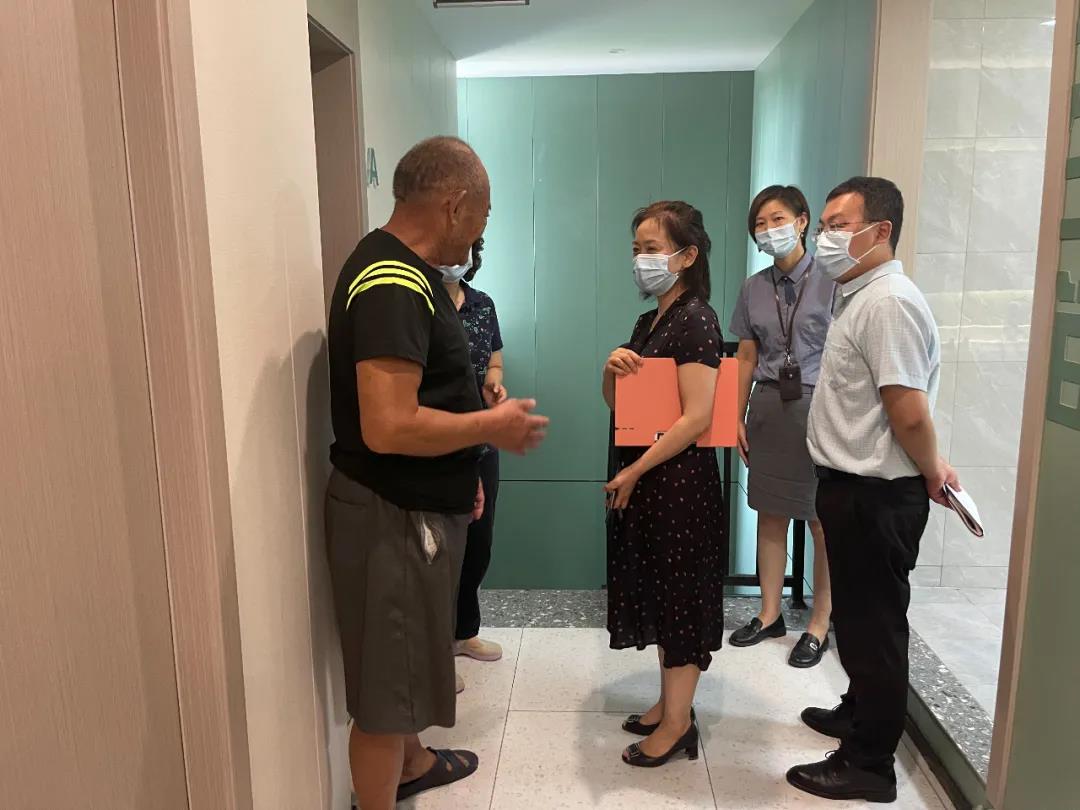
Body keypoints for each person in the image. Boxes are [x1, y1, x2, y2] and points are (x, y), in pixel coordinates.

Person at [324, 136, 549, 810]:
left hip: (411, 505)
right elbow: (388, 425)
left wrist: (463, 469)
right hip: (391, 515)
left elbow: (429, 397)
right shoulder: (393, 284)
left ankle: (414, 762)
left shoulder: (405, 274)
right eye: (483, 215)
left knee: (403, 669)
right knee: (384, 697)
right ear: (455, 205)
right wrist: (490, 429)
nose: (480, 232)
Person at [786, 177, 959, 804]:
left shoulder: (888, 302)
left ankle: (868, 765)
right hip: (853, 488)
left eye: (838, 225)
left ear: (880, 231)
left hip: (875, 496)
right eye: (824, 226)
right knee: (860, 623)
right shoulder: (860, 296)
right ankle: (858, 713)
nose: (825, 237)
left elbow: (907, 410)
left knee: (874, 629)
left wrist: (933, 468)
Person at [602, 201, 726, 768]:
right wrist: (610, 370)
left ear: (687, 255)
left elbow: (697, 417)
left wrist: (633, 470)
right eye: (636, 250)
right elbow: (621, 405)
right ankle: (667, 704)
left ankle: (678, 726)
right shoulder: (649, 321)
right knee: (661, 590)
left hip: (679, 486)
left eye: (651, 249)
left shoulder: (697, 319)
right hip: (652, 479)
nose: (641, 260)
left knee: (680, 600)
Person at [727, 186, 835, 669]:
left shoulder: (832, 278)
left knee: (821, 518)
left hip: (821, 405)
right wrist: (734, 414)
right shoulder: (754, 287)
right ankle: (769, 613)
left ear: (802, 220)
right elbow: (745, 355)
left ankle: (819, 623)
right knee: (769, 511)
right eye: (760, 223)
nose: (769, 230)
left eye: (777, 219)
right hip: (769, 404)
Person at [440, 236, 507, 677]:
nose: (458, 256)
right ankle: (435, 649)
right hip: (440, 436)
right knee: (443, 546)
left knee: (479, 542)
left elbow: (494, 360)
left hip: (483, 436)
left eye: (467, 248)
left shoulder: (482, 304)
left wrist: (494, 383)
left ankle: (464, 632)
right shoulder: (421, 303)